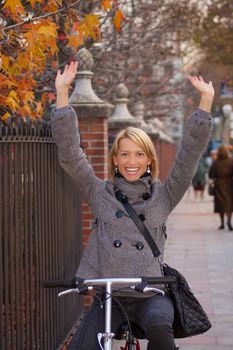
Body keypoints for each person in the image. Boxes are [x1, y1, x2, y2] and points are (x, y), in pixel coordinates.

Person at [51, 62, 214, 350]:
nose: (131, 162)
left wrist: (205, 105)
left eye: (139, 154)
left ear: (149, 160)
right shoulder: (99, 193)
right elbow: (71, 158)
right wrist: (62, 95)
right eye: (124, 154)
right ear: (114, 159)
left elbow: (188, 159)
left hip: (152, 294)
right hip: (110, 296)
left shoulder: (163, 195)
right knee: (82, 345)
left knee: (161, 330)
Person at [209, 145, 233, 230]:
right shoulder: (231, 161)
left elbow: (211, 175)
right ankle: (229, 221)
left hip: (219, 185)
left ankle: (222, 223)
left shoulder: (216, 162)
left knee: (220, 204)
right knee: (229, 204)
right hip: (230, 185)